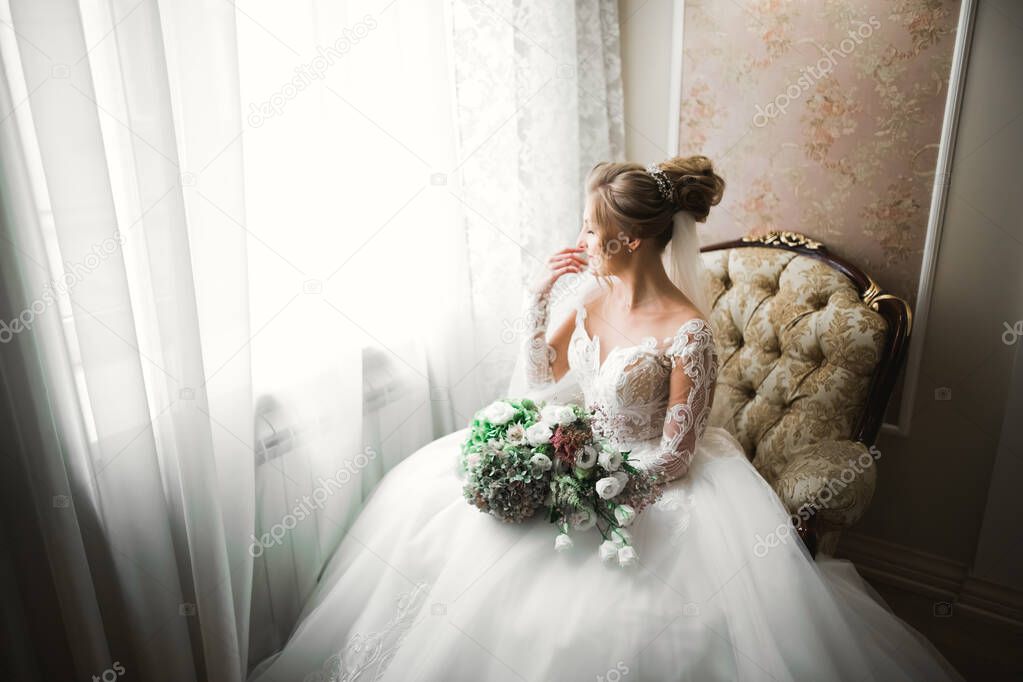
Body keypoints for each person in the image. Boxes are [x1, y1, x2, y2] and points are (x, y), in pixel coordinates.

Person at [248, 157, 964, 681]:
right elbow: (541, 382)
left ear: (629, 239)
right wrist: (538, 301)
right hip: (579, 452)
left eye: (590, 230)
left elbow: (678, 455)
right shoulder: (589, 297)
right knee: (449, 528)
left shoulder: (687, 331)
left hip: (653, 482)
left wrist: (593, 493)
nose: (581, 240)